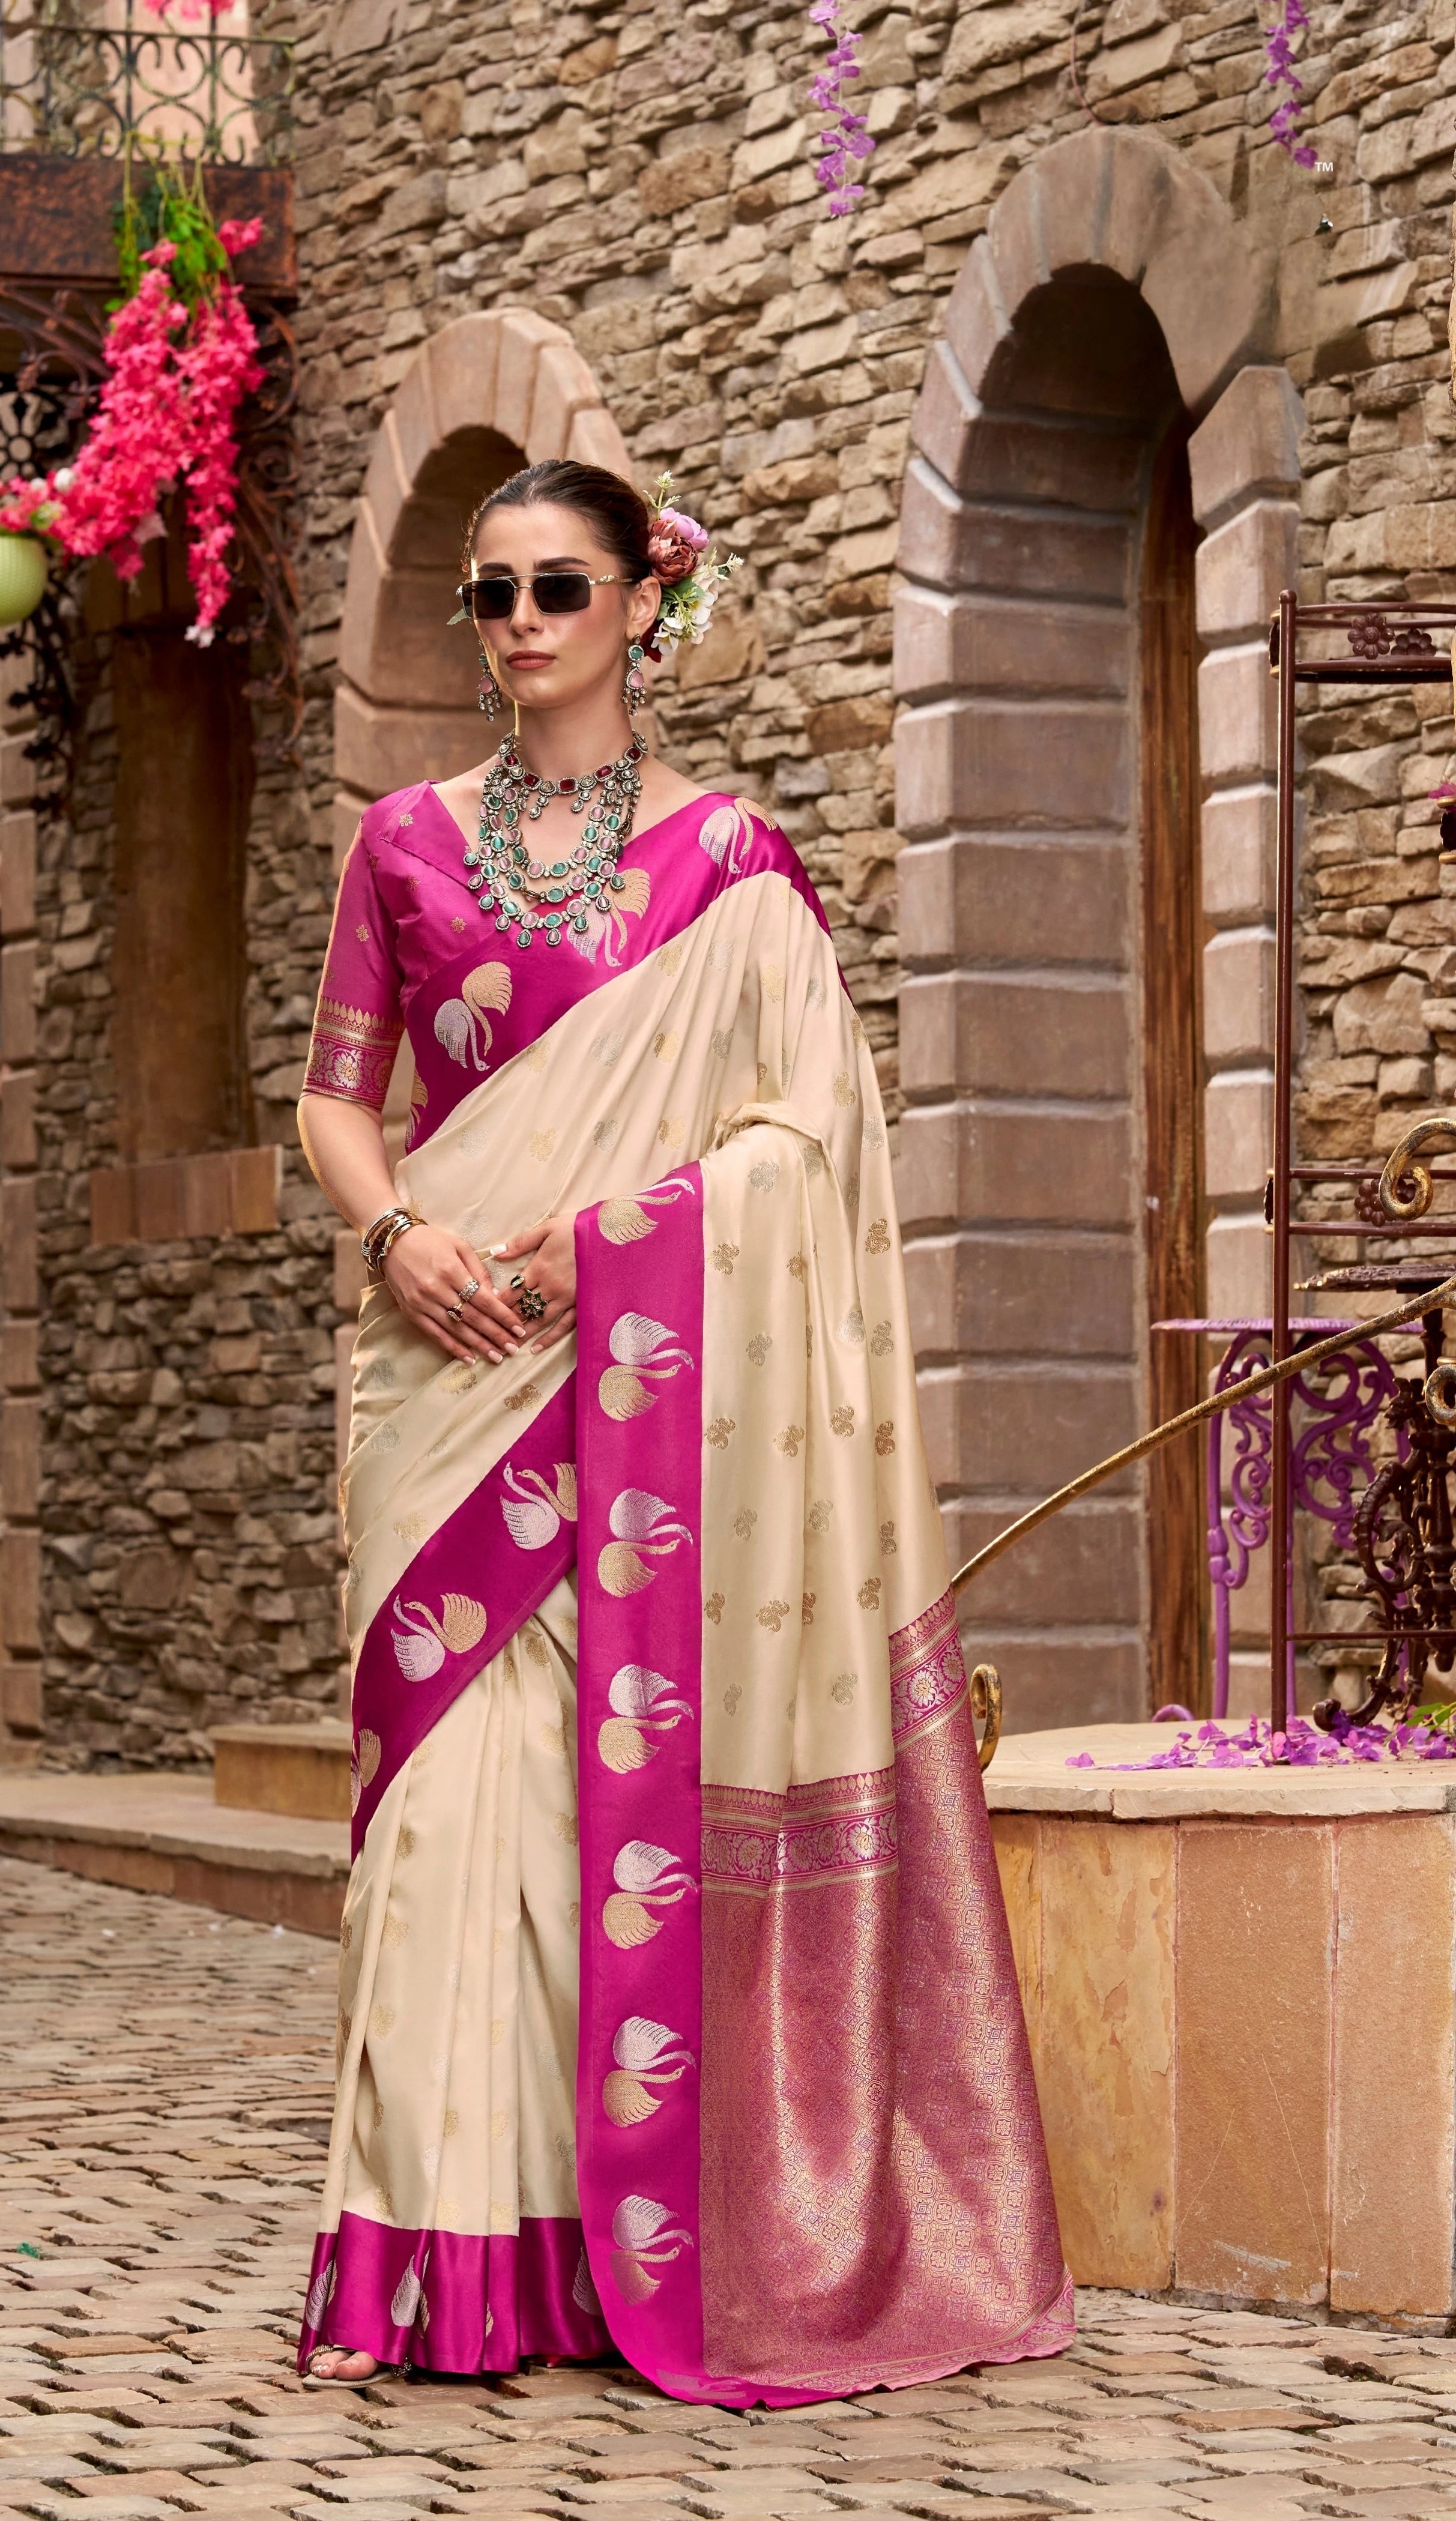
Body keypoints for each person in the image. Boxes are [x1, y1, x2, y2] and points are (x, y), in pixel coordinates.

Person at [293, 459, 1072, 2405]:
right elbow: (334, 1096)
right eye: (491, 595)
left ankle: (576, 2252)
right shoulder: (399, 842)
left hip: (629, 1397)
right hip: (442, 1384)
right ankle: (436, 2259)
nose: (524, 623)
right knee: (448, 1820)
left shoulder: (731, 868)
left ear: (648, 603)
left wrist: (606, 1243)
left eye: (562, 586)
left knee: (581, 1827)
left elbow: (807, 1140)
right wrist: (395, 1235)